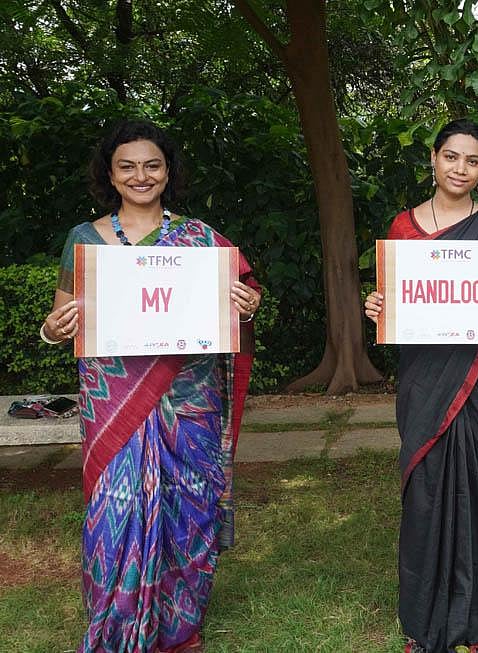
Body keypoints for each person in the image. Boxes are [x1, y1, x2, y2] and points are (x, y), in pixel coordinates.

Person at [40, 120, 261, 652]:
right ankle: (119, 624)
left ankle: (180, 628)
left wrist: (247, 306)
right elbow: (56, 319)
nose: (141, 176)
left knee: (189, 508)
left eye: (152, 165)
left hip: (188, 400)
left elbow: (239, 300)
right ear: (110, 175)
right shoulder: (85, 240)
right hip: (116, 403)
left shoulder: (200, 239)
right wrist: (53, 329)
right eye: (127, 166)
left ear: (168, 172)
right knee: (115, 513)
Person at [363, 119, 478, 653]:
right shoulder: (402, 227)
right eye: (452, 157)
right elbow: (397, 299)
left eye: (473, 161)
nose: (461, 169)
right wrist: (378, 308)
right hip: (424, 376)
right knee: (428, 490)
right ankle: (424, 617)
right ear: (433, 159)